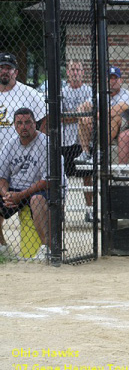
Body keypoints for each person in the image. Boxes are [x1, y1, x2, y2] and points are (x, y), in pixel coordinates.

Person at [0, 108, 50, 259]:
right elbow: (2, 177)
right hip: (15, 189)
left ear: (35, 123)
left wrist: (20, 195)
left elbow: (47, 181)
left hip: (39, 188)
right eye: (19, 123)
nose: (24, 126)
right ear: (14, 126)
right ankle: (3, 248)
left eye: (28, 122)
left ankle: (47, 248)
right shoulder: (10, 144)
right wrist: (6, 194)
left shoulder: (45, 143)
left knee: (36, 200)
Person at [74, 65, 129, 164]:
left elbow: (116, 110)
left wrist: (93, 116)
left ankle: (100, 151)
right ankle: (85, 152)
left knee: (115, 117)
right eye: (110, 78)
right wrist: (85, 116)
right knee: (83, 117)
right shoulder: (101, 94)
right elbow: (82, 106)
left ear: (120, 80)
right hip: (103, 125)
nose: (113, 81)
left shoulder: (125, 94)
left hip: (122, 128)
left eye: (115, 78)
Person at [60, 60, 94, 222]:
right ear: (67, 72)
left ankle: (89, 210)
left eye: (78, 69)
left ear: (83, 72)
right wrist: (81, 117)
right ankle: (61, 211)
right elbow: (60, 118)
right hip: (65, 141)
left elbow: (92, 115)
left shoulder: (89, 91)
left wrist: (71, 115)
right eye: (72, 69)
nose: (75, 72)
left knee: (87, 177)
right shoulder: (62, 91)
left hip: (84, 142)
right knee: (62, 178)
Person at [0, 53, 47, 144]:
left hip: (19, 151)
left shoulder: (28, 92)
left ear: (16, 73)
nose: (5, 71)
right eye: (1, 67)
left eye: (9, 68)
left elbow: (47, 116)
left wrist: (38, 142)